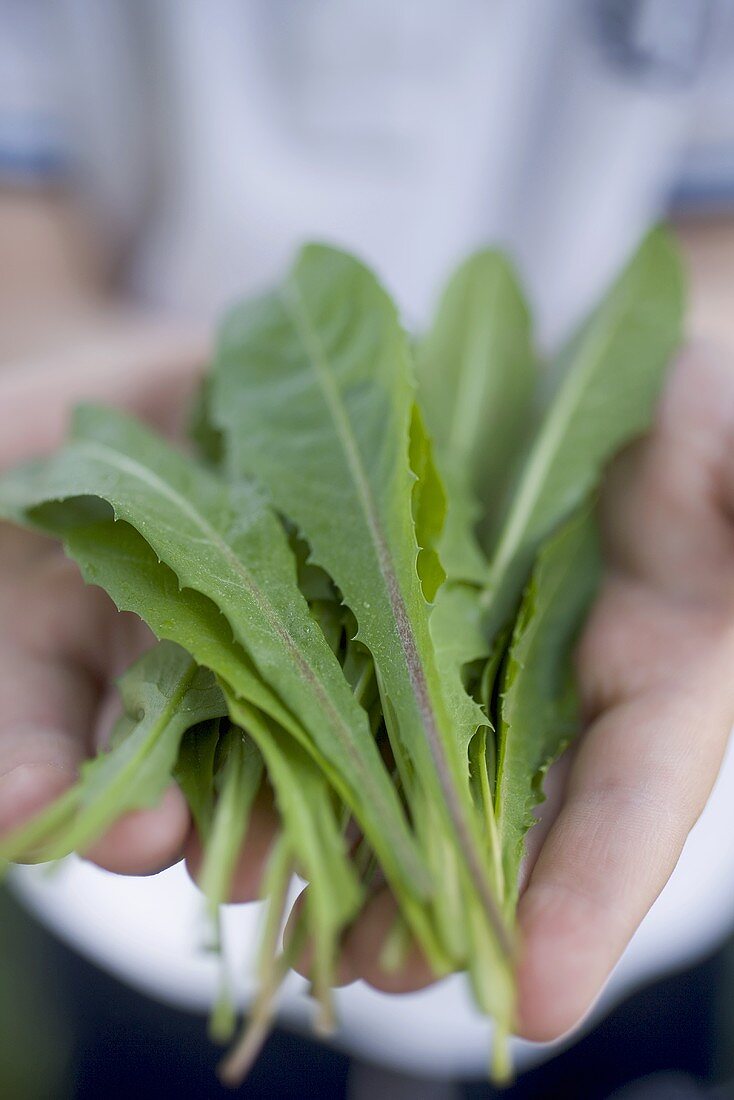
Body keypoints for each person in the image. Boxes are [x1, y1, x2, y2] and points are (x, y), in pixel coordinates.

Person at [3, 2, 734, 1093]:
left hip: (639, 757)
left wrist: (704, 355)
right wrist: (38, 331)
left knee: (608, 1028)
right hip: (149, 840)